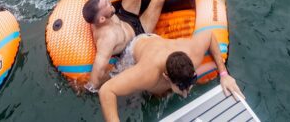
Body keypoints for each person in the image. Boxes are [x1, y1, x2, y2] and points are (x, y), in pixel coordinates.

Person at [98, 25, 242, 122]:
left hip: (158, 42)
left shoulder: (193, 54)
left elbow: (209, 35)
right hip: (137, 47)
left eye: (191, 83)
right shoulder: (146, 73)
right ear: (166, 77)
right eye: (181, 87)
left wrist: (224, 74)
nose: (186, 93)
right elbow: (106, 91)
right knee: (129, 102)